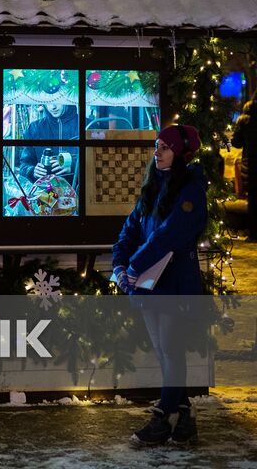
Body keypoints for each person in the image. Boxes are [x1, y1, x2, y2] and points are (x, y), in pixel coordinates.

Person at [112, 123, 207, 448]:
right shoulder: (152, 187)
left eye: (165, 147)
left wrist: (135, 265)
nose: (158, 152)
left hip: (175, 284)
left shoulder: (190, 189)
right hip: (148, 285)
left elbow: (169, 234)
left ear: (179, 153)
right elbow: (131, 228)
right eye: (156, 146)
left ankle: (163, 418)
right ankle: (183, 419)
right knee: (164, 352)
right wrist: (121, 265)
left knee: (170, 350)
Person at [16, 102, 79, 187]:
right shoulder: (34, 128)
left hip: (81, 193)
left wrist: (73, 167)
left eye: (57, 101)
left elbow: (97, 163)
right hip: (44, 195)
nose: (53, 107)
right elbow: (24, 165)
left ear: (68, 100)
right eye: (48, 102)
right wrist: (32, 171)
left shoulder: (87, 126)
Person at [231, 99, 257, 239]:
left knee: (253, 199)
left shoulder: (244, 120)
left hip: (251, 164)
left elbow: (236, 143)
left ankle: (253, 233)